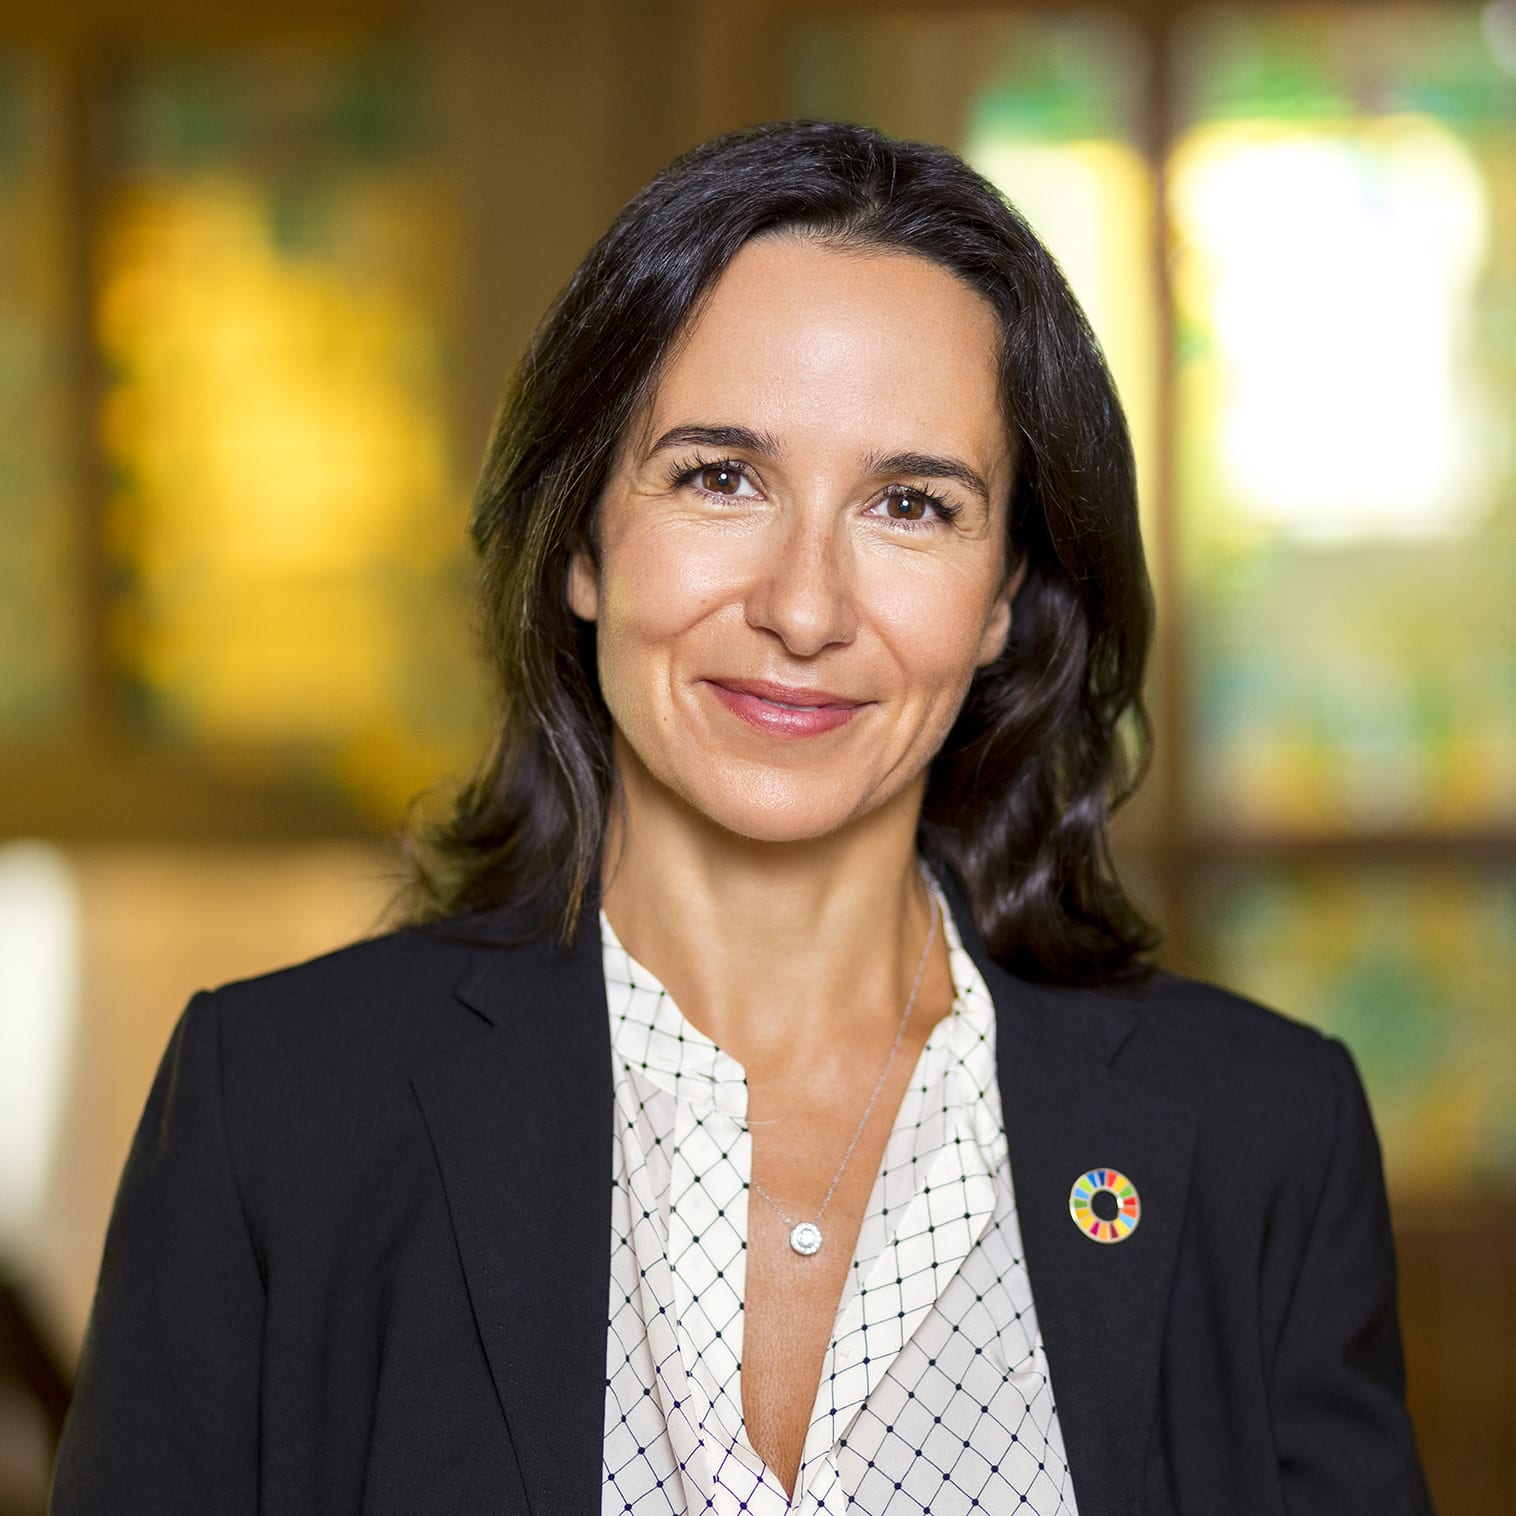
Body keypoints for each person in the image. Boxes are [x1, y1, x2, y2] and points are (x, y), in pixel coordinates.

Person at [51, 121, 1432, 1516]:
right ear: (584, 540)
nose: (805, 608)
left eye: (910, 504)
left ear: (1005, 594)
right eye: (721, 477)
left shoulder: (1265, 1138)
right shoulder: (280, 1112)